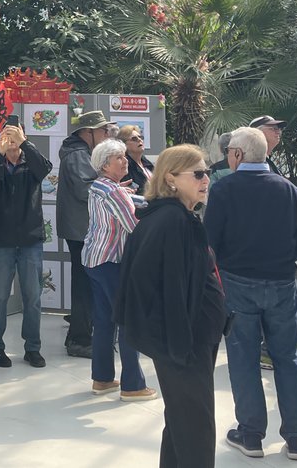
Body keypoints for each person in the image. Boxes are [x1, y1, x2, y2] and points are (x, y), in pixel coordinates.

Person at [204, 126, 297, 462]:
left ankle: (251, 434)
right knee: (287, 359)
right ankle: (296, 438)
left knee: (244, 359)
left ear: (237, 154)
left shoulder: (224, 189)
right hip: (282, 282)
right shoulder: (288, 189)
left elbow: (210, 239)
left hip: (238, 283)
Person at [116, 145, 225, 468]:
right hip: (183, 344)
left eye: (207, 172)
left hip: (190, 340)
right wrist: (178, 344)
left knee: (183, 420)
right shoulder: (170, 222)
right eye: (199, 174)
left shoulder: (177, 218)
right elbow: (160, 289)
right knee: (196, 425)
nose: (206, 179)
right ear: (171, 179)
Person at [82, 137, 154, 400]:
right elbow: (133, 226)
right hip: (112, 262)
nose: (125, 161)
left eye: (125, 156)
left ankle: (102, 378)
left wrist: (130, 195)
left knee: (104, 321)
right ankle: (133, 385)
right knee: (127, 320)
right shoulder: (113, 191)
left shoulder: (100, 187)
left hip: (94, 260)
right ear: (104, 166)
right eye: (119, 158)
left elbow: (124, 199)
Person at [0, 120, 51, 368]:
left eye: (15, 136)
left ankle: (33, 347)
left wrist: (24, 144)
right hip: (2, 242)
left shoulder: (32, 163)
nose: (11, 141)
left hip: (30, 241)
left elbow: (45, 170)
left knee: (32, 296)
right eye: (7, 136)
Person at [58, 109, 111, 358]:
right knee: (84, 286)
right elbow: (85, 190)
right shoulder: (78, 154)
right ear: (87, 132)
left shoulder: (79, 152)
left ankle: (78, 335)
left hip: (81, 228)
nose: (106, 134)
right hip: (81, 230)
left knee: (85, 285)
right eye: (102, 130)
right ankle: (79, 340)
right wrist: (111, 186)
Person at [119, 124, 155, 195]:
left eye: (140, 137)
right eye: (134, 139)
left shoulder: (148, 164)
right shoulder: (124, 167)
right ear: (124, 145)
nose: (139, 140)